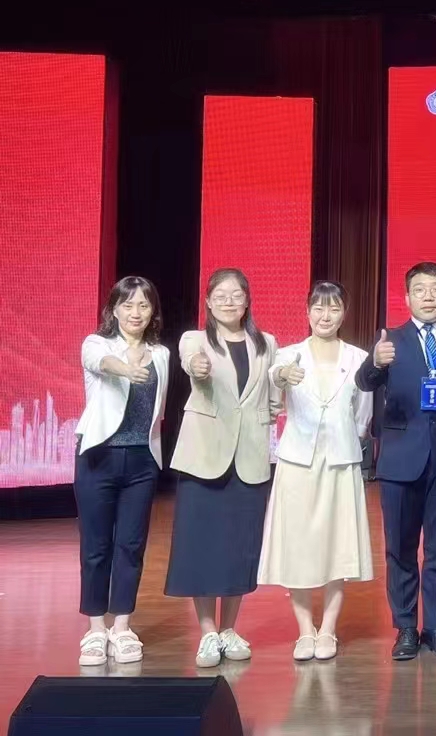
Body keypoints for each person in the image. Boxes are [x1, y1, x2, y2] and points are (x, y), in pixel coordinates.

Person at [356, 261, 436, 661]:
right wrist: (375, 362)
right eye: (419, 290)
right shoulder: (390, 341)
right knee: (399, 548)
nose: (428, 297)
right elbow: (364, 382)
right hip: (400, 461)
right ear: (407, 297)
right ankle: (405, 628)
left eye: (435, 289)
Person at [167, 268, 281, 668]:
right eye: (221, 296)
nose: (229, 302)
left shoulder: (267, 343)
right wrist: (197, 366)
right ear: (208, 302)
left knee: (239, 547)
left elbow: (272, 396)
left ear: (247, 301)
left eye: (236, 295)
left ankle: (230, 628)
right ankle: (207, 633)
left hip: (249, 457)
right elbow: (191, 361)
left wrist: (271, 416)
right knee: (201, 546)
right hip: (204, 455)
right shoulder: (195, 340)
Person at [258, 281, 375, 661]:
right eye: (319, 308)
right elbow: (274, 384)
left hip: (340, 461)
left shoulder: (358, 359)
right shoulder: (287, 355)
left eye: (334, 308)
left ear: (344, 314)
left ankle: (328, 630)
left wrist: (347, 439)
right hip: (297, 462)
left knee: (339, 545)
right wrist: (281, 377)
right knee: (298, 546)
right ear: (307, 311)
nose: (326, 316)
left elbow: (362, 415)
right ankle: (304, 630)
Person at [75, 276, 169, 667]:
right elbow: (100, 363)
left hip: (142, 461)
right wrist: (126, 369)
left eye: (143, 305)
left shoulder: (161, 354)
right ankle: (96, 629)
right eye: (127, 305)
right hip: (98, 456)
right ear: (114, 309)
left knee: (131, 546)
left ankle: (122, 626)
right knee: (96, 546)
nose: (135, 312)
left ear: (152, 311)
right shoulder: (97, 344)